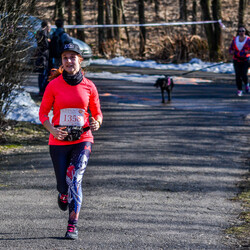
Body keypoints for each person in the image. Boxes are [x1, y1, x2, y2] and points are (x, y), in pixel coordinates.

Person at [39, 43, 103, 240]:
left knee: (75, 180)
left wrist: (96, 122)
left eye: (72, 57)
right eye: (65, 58)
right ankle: (62, 193)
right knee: (63, 184)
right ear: (62, 61)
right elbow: (43, 114)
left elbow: (98, 113)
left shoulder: (89, 86)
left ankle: (72, 225)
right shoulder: (54, 85)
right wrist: (53, 131)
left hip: (83, 139)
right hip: (59, 141)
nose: (68, 61)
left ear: (80, 60)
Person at [229, 26, 250, 96]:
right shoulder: (235, 40)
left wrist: (247, 52)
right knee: (238, 76)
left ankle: (247, 84)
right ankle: (239, 90)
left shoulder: (248, 40)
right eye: (240, 31)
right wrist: (231, 52)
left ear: (245, 31)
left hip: (245, 60)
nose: (241, 32)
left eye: (243, 31)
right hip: (236, 59)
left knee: (244, 74)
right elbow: (231, 48)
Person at [35, 20, 51, 96]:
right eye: (49, 27)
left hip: (42, 56)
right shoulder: (44, 34)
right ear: (46, 27)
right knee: (43, 75)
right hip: (43, 57)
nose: (50, 29)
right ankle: (42, 91)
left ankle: (42, 90)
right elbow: (45, 46)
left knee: (42, 74)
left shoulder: (40, 33)